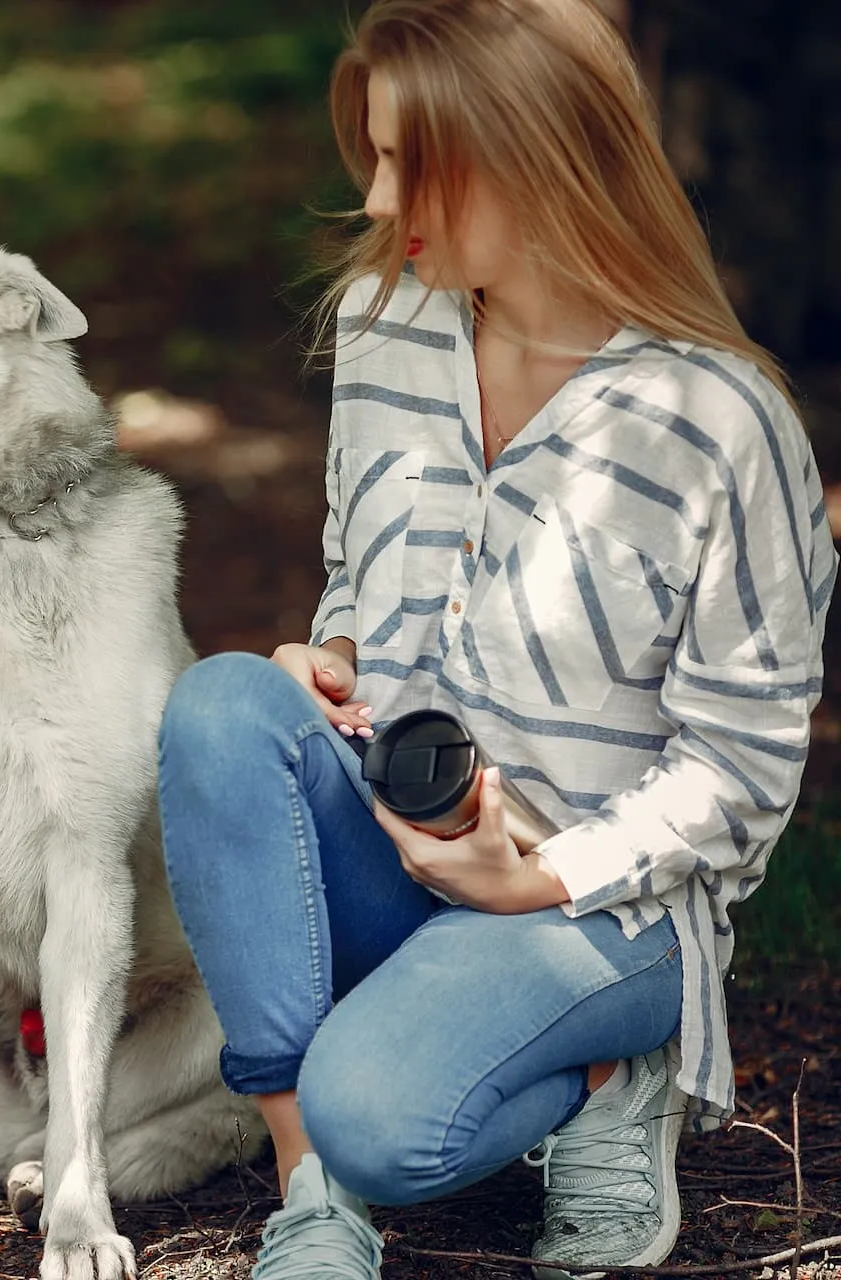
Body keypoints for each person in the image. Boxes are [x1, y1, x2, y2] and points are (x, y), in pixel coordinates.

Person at [155, 1, 834, 1278]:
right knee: (220, 706)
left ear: (534, 154)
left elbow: (744, 771)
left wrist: (541, 874)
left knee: (384, 1112)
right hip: (401, 830)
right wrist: (338, 650)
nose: (372, 198)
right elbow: (361, 563)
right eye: (372, 151)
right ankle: (313, 1197)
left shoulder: (714, 419)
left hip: (602, 908)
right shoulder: (387, 322)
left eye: (412, 161)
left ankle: (606, 1074)